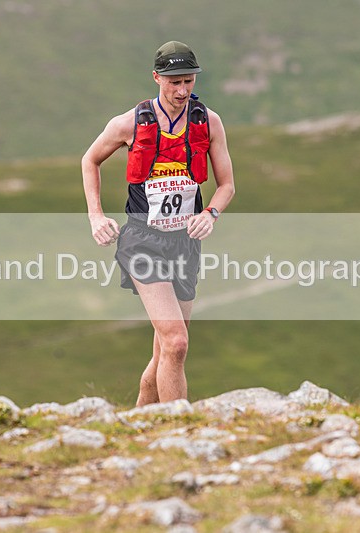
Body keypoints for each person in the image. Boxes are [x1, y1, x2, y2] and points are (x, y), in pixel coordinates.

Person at [81, 41, 235, 406]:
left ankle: (138, 426)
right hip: (142, 240)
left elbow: (227, 185)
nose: (182, 91)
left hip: (184, 243)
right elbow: (90, 161)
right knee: (177, 342)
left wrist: (209, 213)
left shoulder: (208, 121)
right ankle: (177, 433)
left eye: (189, 82)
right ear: (157, 78)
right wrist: (96, 216)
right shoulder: (128, 123)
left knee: (166, 351)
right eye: (174, 83)